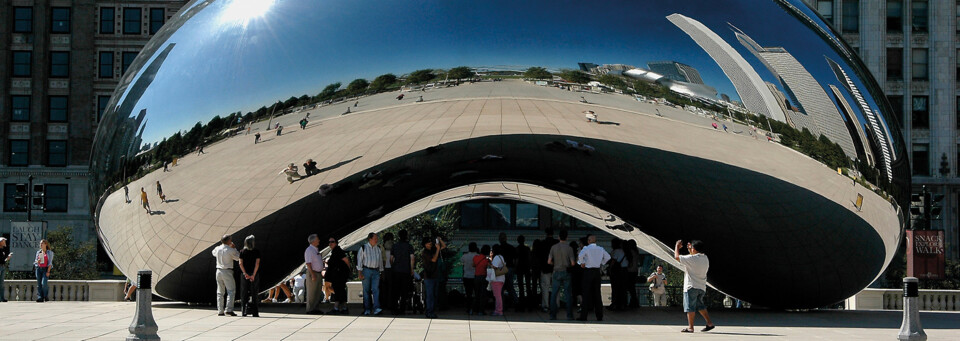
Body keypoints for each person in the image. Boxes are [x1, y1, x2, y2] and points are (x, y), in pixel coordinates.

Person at [675, 240, 715, 333]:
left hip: (691, 286)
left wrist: (677, 246)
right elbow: (692, 258)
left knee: (690, 307)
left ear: (694, 249)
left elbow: (677, 257)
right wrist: (690, 249)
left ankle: (690, 327)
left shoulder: (692, 259)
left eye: (691, 247)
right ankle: (709, 323)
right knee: (700, 306)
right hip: (701, 287)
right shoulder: (705, 258)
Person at [577, 234, 610, 321]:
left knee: (586, 294)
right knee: (597, 294)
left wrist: (582, 263)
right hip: (596, 271)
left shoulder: (586, 248)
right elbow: (608, 257)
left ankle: (583, 316)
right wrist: (601, 263)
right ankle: (599, 316)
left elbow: (580, 256)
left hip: (588, 271)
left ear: (588, 241)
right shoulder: (600, 249)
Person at [547, 230, 576, 320]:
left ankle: (553, 314)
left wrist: (554, 264)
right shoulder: (569, 248)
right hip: (566, 271)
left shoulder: (553, 247)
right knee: (568, 294)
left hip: (556, 271)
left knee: (554, 294)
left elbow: (549, 261)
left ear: (559, 237)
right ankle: (569, 315)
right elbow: (573, 263)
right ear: (567, 238)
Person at [212, 235, 240, 316]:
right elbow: (238, 257)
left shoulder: (217, 248)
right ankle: (229, 309)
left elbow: (213, 253)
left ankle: (220, 310)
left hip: (218, 270)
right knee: (231, 291)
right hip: (227, 271)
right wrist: (234, 248)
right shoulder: (230, 250)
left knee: (220, 292)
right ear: (228, 241)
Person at [357, 232, 384, 315]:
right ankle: (367, 309)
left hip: (376, 271)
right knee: (366, 290)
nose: (376, 240)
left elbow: (380, 261)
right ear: (370, 239)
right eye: (375, 238)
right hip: (366, 270)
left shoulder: (378, 248)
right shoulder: (363, 248)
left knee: (376, 289)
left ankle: (376, 308)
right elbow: (359, 261)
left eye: (377, 238)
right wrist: (360, 273)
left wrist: (381, 271)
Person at [389, 230, 415, 315]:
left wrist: (394, 266)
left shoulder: (395, 246)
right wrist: (411, 269)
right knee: (404, 291)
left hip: (396, 271)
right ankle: (402, 308)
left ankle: (394, 308)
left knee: (395, 291)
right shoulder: (409, 246)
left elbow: (391, 259)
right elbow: (412, 258)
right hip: (406, 271)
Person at [325, 238, 352, 315]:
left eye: (332, 242)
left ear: (336, 243)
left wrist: (349, 270)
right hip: (337, 275)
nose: (330, 243)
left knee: (338, 290)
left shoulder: (338, 251)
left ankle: (336, 308)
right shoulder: (334, 251)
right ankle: (344, 308)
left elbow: (346, 260)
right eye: (329, 242)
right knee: (341, 291)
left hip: (339, 275)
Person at [421, 236, 446, 318]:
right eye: (428, 243)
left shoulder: (433, 250)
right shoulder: (425, 252)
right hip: (428, 276)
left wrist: (440, 240)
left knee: (434, 295)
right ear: (425, 244)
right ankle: (429, 311)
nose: (430, 244)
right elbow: (434, 259)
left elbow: (444, 246)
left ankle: (432, 310)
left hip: (435, 275)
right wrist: (438, 249)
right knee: (430, 295)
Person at [238, 235, 261, 317]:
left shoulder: (242, 251)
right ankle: (255, 312)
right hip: (254, 274)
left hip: (245, 275)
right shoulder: (256, 251)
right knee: (254, 293)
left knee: (244, 293)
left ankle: (244, 311)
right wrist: (253, 275)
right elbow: (257, 263)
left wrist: (245, 273)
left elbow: (240, 263)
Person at [536, 229, 558, 312]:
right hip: (556, 268)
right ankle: (556, 304)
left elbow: (539, 256)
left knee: (545, 287)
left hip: (545, 268)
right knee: (556, 287)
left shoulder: (542, 244)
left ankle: (545, 305)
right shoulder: (557, 243)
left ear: (546, 234)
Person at [303, 234, 325, 314]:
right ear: (313, 241)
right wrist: (312, 274)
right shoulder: (309, 250)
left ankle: (315, 308)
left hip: (318, 273)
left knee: (317, 292)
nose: (319, 240)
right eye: (317, 239)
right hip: (313, 273)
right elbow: (308, 263)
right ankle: (310, 309)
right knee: (312, 292)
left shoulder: (316, 250)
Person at [497, 232, 517, 308]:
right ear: (506, 238)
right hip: (510, 268)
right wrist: (514, 267)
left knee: (501, 288)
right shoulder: (511, 247)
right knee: (510, 287)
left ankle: (501, 304)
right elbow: (515, 259)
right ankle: (516, 302)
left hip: (501, 269)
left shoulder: (498, 248)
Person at [472, 245, 491, 315]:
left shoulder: (476, 257)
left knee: (476, 294)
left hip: (476, 277)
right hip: (483, 277)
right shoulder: (486, 260)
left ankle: (474, 309)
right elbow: (490, 266)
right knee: (482, 295)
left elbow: (473, 265)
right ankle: (481, 310)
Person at [608, 238, 626, 311]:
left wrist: (609, 269)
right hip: (624, 270)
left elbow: (613, 261)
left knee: (615, 288)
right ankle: (622, 304)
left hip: (616, 271)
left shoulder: (615, 251)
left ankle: (615, 303)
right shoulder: (624, 251)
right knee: (622, 288)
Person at [460, 242, 478, 314]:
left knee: (468, 293)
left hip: (466, 276)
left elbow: (461, 261)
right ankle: (475, 307)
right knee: (476, 293)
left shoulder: (465, 256)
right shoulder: (477, 256)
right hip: (475, 276)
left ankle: (468, 307)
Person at [514, 235, 531, 312]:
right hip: (526, 267)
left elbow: (516, 259)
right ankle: (529, 304)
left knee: (521, 286)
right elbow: (529, 258)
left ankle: (521, 304)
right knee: (528, 286)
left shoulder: (517, 249)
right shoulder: (527, 249)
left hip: (519, 268)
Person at [490, 244, 507, 316]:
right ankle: (498, 310)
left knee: (497, 296)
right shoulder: (501, 257)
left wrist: (489, 262)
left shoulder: (496, 257)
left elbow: (494, 266)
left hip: (496, 279)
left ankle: (498, 310)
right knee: (498, 295)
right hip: (501, 278)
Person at [380, 233, 395, 312]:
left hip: (384, 269)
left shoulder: (382, 248)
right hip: (390, 269)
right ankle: (389, 303)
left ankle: (384, 303)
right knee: (390, 288)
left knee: (384, 288)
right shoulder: (393, 247)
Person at [625, 240, 641, 308]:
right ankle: (634, 302)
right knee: (632, 287)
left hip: (629, 271)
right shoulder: (636, 251)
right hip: (635, 271)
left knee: (629, 287)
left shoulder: (630, 252)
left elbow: (629, 262)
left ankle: (633, 302)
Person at [0, 237, 10, 302]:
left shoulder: (3, 249)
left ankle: (2, 298)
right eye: (3, 241)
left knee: (1, 283)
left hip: (2, 266)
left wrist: (7, 258)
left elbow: (3, 260)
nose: (4, 242)